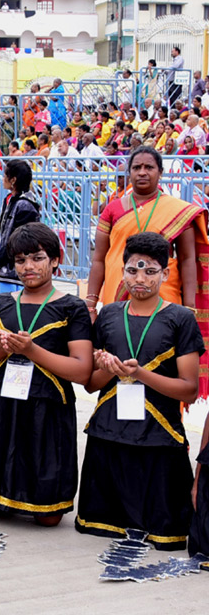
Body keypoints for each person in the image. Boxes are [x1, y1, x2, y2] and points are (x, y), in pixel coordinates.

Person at [0, 223, 93, 525]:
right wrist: (1, 350)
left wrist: (32, 351)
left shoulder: (71, 308)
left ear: (56, 260)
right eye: (20, 260)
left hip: (46, 408)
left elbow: (82, 370)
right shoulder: (0, 304)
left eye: (37, 258)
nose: (28, 267)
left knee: (47, 517)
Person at [77, 232, 203, 548]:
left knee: (165, 535)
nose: (140, 279)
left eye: (150, 271)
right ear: (122, 272)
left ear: (166, 273)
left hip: (157, 438)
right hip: (108, 435)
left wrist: (141, 373)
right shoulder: (108, 315)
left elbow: (189, 390)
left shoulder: (180, 319)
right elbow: (91, 385)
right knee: (100, 530)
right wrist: (107, 370)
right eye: (133, 270)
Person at [85, 147, 209, 392]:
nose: (142, 172)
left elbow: (186, 260)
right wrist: (91, 303)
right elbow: (99, 259)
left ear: (160, 172)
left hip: (164, 295)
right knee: (115, 357)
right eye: (136, 167)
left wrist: (189, 306)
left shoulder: (178, 210)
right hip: (118, 295)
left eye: (149, 167)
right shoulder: (112, 209)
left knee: (166, 360)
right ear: (129, 172)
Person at [0, 159, 41, 297]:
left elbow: (17, 241)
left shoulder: (26, 206)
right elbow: (0, 234)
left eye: (5, 175)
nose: (3, 178)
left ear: (13, 180)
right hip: (1, 273)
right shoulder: (9, 200)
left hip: (13, 276)